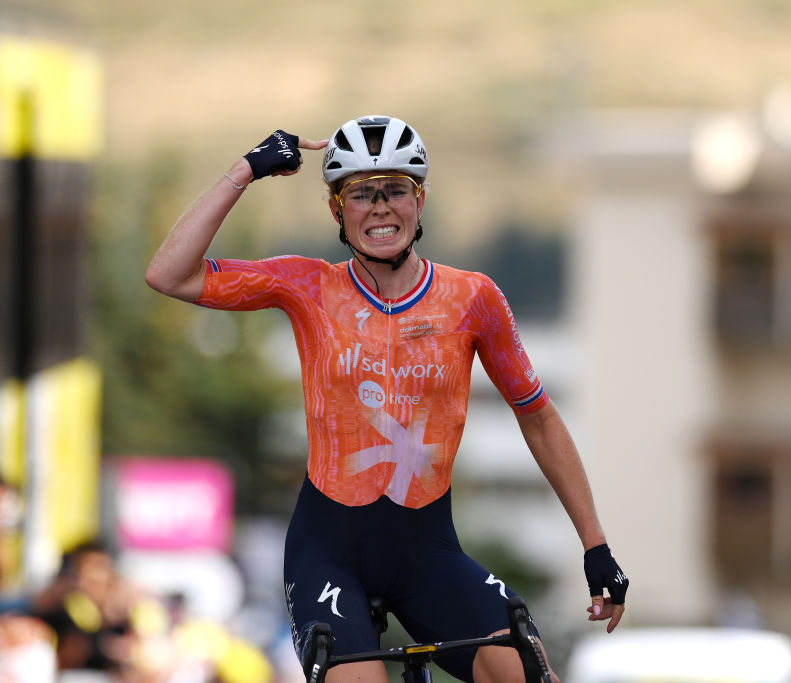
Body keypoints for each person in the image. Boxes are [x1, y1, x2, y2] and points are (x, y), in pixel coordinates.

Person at [146, 116, 629, 683]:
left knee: (525, 666)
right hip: (328, 553)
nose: (380, 207)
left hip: (428, 552)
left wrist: (596, 547)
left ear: (419, 201)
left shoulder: (473, 299)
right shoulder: (308, 287)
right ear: (336, 212)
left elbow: (540, 419)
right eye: (360, 193)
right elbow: (168, 274)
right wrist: (246, 170)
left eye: (395, 190)